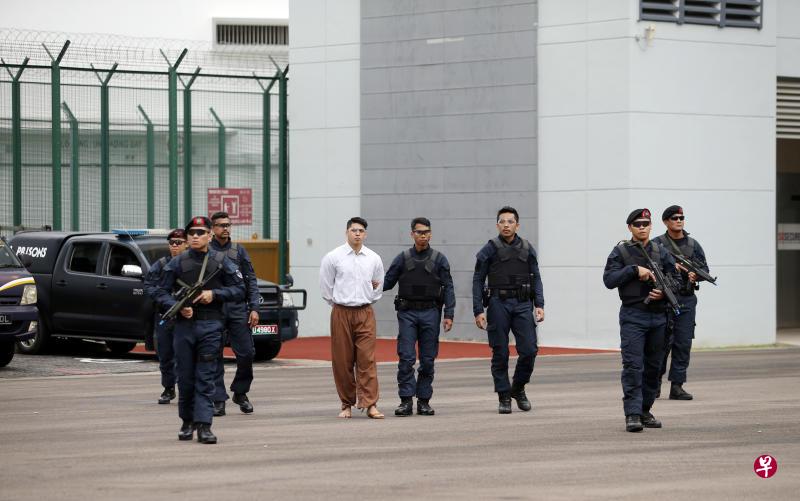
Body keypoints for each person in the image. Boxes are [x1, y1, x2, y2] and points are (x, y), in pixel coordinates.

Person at [154, 216, 245, 444]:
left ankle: (204, 425)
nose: (195, 236)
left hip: (211, 325)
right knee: (185, 378)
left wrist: (214, 295)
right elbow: (159, 292)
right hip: (184, 327)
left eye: (200, 232)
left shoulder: (221, 262)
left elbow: (239, 288)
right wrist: (178, 307)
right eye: (192, 233)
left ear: (209, 235)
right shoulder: (177, 263)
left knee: (206, 377)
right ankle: (187, 422)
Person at [602, 208, 679, 432]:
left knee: (654, 368)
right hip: (633, 315)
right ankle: (633, 414)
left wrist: (663, 293)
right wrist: (634, 271)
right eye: (637, 224)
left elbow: (676, 280)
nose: (642, 227)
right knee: (633, 366)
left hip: (659, 316)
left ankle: (645, 410)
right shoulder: (621, 252)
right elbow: (609, 280)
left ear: (651, 226)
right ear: (630, 228)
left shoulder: (661, 251)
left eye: (646, 223)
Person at [472, 206, 545, 414]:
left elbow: (536, 277)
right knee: (500, 352)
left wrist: (539, 304)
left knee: (530, 350)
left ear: (517, 225)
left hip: (523, 304)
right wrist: (478, 309)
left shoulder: (527, 248)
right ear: (497, 225)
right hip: (498, 304)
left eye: (510, 221)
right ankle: (504, 396)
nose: (506, 225)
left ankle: (518, 388)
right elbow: (478, 279)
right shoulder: (490, 248)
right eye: (502, 222)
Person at [383, 217, 455, 417]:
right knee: (406, 357)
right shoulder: (402, 258)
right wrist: (365, 284)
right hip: (407, 313)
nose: (422, 235)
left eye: (426, 232)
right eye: (419, 232)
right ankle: (405, 401)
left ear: (430, 234)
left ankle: (424, 401)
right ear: (412, 234)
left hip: (431, 313)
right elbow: (386, 282)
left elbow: (448, 287)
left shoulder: (440, 259)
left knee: (427, 359)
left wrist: (449, 314)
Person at [319, 217, 385, 419]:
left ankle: (370, 403)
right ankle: (346, 404)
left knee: (367, 359)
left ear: (365, 234)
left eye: (361, 230)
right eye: (354, 230)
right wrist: (339, 304)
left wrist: (364, 301)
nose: (357, 233)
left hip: (365, 312)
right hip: (341, 312)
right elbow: (326, 287)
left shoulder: (373, 258)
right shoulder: (333, 257)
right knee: (342, 360)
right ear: (347, 232)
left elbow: (378, 285)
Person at [653, 205, 710, 401]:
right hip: (664, 301)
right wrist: (671, 266)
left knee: (683, 343)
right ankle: (655, 384)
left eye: (681, 217)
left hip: (686, 299)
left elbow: (705, 269)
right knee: (661, 344)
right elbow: (649, 267)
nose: (679, 220)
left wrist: (696, 276)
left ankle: (677, 386)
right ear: (666, 222)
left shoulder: (693, 245)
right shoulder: (657, 244)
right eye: (674, 218)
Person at [209, 211, 260, 416]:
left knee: (247, 353)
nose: (225, 228)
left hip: (238, 309)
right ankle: (218, 399)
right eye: (221, 225)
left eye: (228, 225)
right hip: (214, 309)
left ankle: (241, 392)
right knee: (213, 355)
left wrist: (254, 307)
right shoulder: (206, 250)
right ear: (213, 228)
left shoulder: (239, 251)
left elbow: (251, 280)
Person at [143, 228, 187, 405]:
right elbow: (149, 285)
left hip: (187, 316)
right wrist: (166, 299)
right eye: (172, 243)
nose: (174, 246)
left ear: (186, 244)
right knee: (165, 354)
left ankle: (186, 388)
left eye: (179, 243)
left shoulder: (192, 264)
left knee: (185, 355)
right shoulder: (161, 264)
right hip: (166, 315)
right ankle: (168, 388)